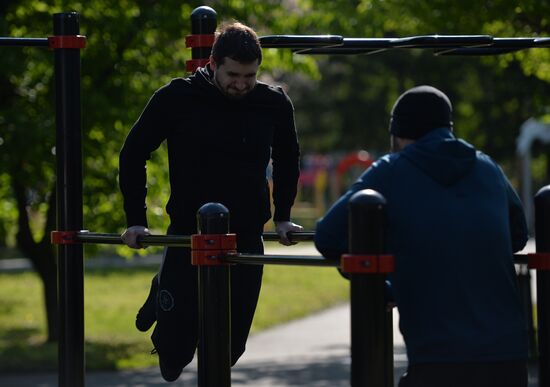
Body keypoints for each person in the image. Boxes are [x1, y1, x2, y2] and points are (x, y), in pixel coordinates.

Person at [119, 22, 303, 382]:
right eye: (233, 74)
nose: (241, 84)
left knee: (227, 350)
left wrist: (282, 217)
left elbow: (288, 157)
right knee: (173, 358)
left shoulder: (273, 103)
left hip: (245, 235)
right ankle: (164, 294)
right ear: (213, 63)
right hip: (188, 234)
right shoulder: (177, 98)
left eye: (250, 75)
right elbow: (133, 152)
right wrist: (136, 219)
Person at [315, 85, 529, 387]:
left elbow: (327, 237)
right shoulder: (488, 167)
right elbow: (518, 236)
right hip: (509, 354)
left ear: (398, 133)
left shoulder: (391, 170)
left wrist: (383, 284)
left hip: (437, 355)